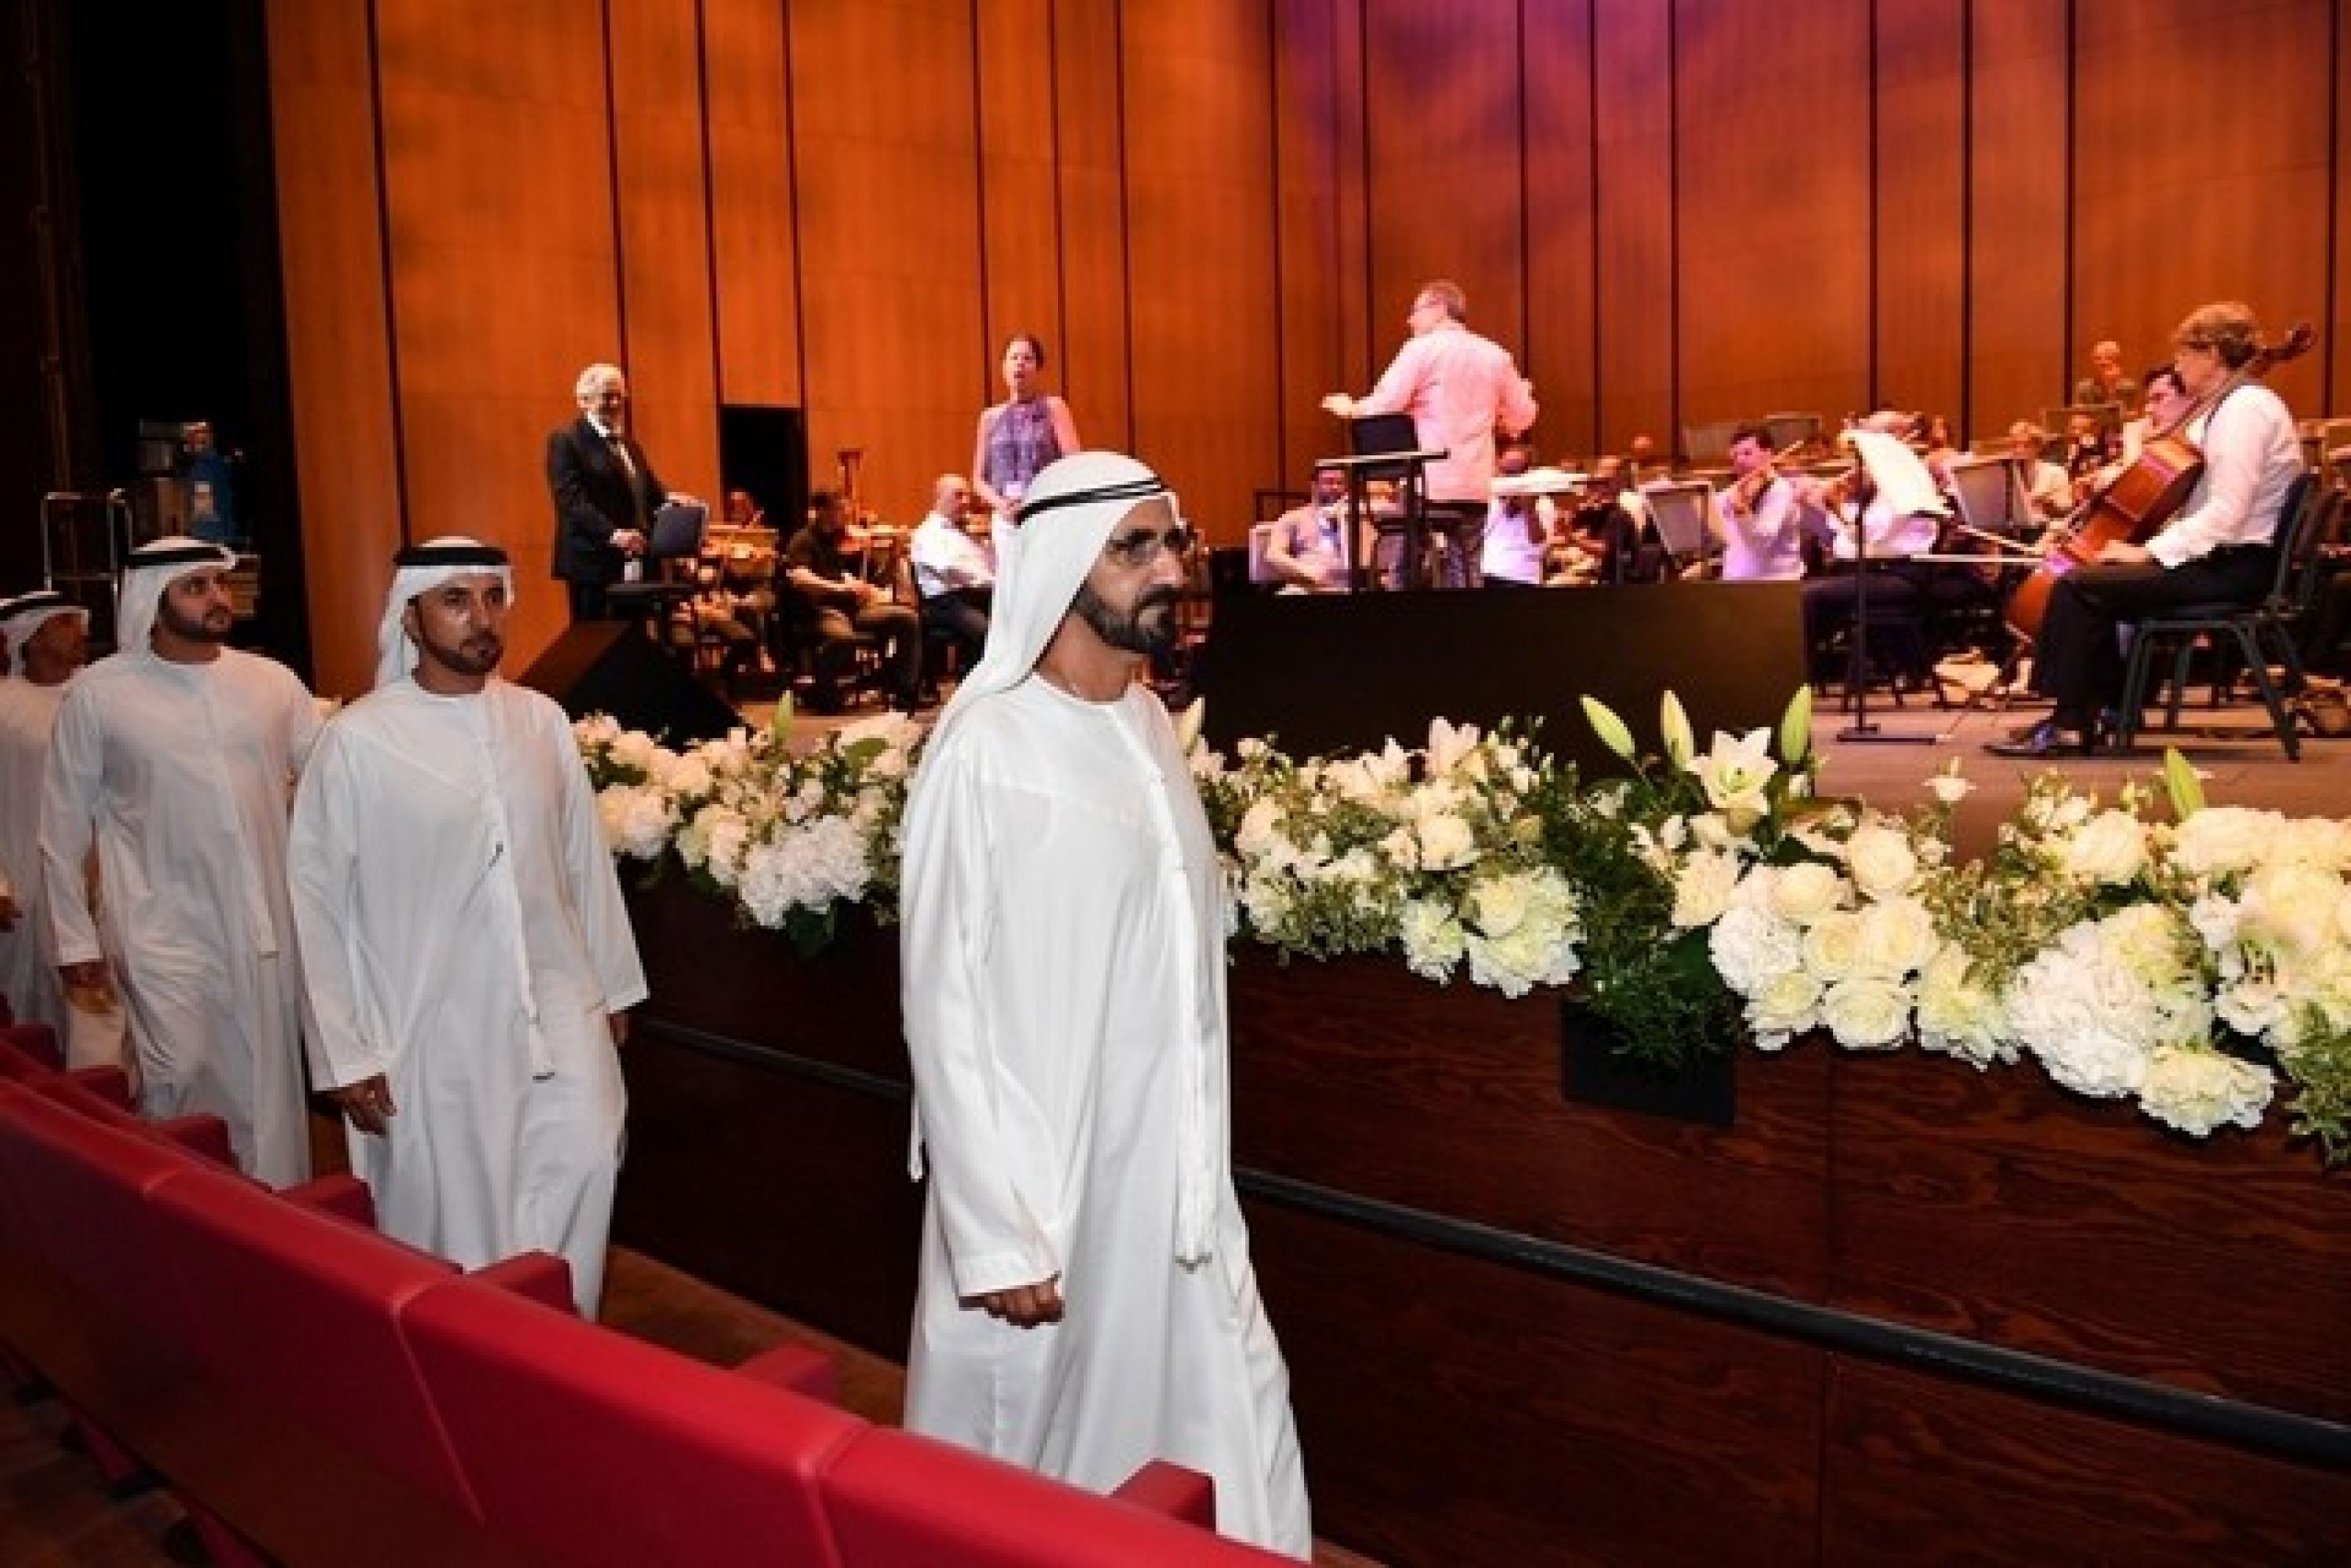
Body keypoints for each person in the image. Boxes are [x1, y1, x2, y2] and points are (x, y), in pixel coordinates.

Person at [896, 451, 1312, 1558]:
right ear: (1062, 565)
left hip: (1174, 1188)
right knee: (1018, 1491)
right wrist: (995, 1231)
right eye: (1134, 548)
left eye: (1171, 542)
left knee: (1234, 1423)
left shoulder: (1146, 726)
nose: (1168, 568)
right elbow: (941, 999)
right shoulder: (986, 746)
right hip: (1048, 1197)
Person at [288, 538, 644, 1317]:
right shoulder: (357, 741)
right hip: (430, 1023)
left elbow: (584, 861)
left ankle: (565, 1346)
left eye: (491, 598)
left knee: (587, 1154)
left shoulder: (540, 720)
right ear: (410, 618)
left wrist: (614, 987)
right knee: (464, 1211)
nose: (480, 618)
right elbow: (315, 900)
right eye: (455, 600)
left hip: (560, 1002)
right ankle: (479, 1355)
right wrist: (344, 1049)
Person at [40, 540, 321, 1184]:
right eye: (196, 586)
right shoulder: (100, 694)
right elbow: (61, 823)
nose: (217, 597)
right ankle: (184, 1208)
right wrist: (73, 937)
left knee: (269, 1085)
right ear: (152, 600)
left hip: (266, 922)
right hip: (159, 926)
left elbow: (330, 777)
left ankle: (271, 1213)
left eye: (219, 584)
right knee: (180, 1072)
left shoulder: (272, 682)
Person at [1991, 300, 2306, 758]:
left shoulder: (2245, 411)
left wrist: (2150, 551)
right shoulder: (2232, 407)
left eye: (2183, 355)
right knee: (2093, 581)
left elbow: (2227, 512)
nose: (2177, 367)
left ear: (2212, 354)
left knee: (2078, 586)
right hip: (2227, 559)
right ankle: (2103, 710)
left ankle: (2071, 723)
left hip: (2235, 566)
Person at [1323, 278, 1538, 588]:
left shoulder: (1420, 350)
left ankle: (1407, 617)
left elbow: (1386, 402)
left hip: (1427, 483)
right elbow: (1524, 415)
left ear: (1439, 309)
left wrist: (1351, 409)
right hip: (1473, 484)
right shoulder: (1496, 355)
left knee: (1405, 565)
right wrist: (1505, 415)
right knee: (1467, 568)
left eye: (1415, 311)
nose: (1409, 320)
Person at [0, 590, 124, 1066]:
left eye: (80, 622)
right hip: (28, 882)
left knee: (112, 1014)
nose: (81, 633)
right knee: (38, 1014)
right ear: (32, 638)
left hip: (109, 876)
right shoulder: (6, 705)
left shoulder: (101, 696)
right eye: (65, 623)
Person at [784, 490, 925, 712]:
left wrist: (891, 559)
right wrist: (841, 587)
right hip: (820, 610)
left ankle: (905, 693)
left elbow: (869, 579)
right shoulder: (803, 540)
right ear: (822, 511)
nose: (847, 514)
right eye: (840, 509)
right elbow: (800, 578)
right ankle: (822, 689)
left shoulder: (839, 539)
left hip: (853, 609)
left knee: (908, 619)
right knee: (843, 637)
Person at [548, 363, 665, 622]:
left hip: (633, 559)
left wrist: (673, 500)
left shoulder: (629, 445)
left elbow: (651, 492)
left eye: (619, 396)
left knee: (633, 636)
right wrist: (614, 535)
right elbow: (571, 500)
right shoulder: (566, 440)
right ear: (584, 400)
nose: (615, 403)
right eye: (607, 396)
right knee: (596, 638)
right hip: (591, 562)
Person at [972, 333, 1081, 523]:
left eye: (1027, 358)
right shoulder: (989, 417)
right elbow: (978, 479)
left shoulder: (1054, 407)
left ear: (1038, 368)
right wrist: (1001, 505)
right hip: (1005, 517)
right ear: (1004, 366)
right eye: (1014, 358)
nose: (1020, 363)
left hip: (1045, 513)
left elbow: (1074, 465)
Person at [910, 474, 996, 669]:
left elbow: (989, 564)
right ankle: (971, 682)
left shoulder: (964, 532)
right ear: (939, 497)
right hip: (944, 602)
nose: (966, 501)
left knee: (1016, 623)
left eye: (967, 496)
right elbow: (949, 569)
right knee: (984, 631)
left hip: (976, 595)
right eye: (958, 495)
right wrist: (990, 581)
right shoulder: (928, 533)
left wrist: (989, 541)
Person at [1713, 424, 1806, 582]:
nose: (1740, 460)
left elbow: (1761, 542)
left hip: (1774, 584)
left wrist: (1741, 512)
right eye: (1735, 456)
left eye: (1747, 453)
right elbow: (1711, 510)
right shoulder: (1736, 490)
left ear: (1768, 454)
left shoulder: (1780, 490)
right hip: (1734, 581)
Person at [1263, 468, 1356, 593]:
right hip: (1307, 586)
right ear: (1314, 486)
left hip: (1349, 586)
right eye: (1329, 482)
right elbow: (1274, 553)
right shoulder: (1294, 517)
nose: (1335, 487)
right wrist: (1307, 572)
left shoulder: (1356, 519)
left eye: (1340, 483)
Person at [1480, 443, 1556, 588]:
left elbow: (1540, 546)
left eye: (1512, 472)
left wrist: (1529, 509)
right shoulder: (1492, 499)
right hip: (1485, 573)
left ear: (1527, 473)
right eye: (1502, 471)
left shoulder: (1544, 503)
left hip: (1520, 578)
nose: (1505, 477)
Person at [2005, 421, 2074, 525]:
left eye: (2026, 445)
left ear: (2038, 447)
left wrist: (2045, 503)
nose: (2019, 450)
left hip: (2047, 527)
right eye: (2015, 445)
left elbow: (2065, 509)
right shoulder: (2007, 475)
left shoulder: (2055, 472)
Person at [2073, 339, 2139, 411]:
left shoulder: (2129, 387)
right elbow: (2079, 413)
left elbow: (2134, 413)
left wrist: (2112, 386)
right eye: (2097, 358)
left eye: (2109, 357)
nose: (2102, 362)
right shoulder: (2085, 388)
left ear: (2118, 361)